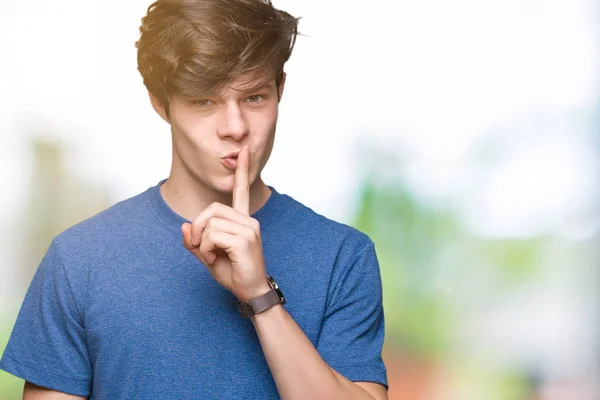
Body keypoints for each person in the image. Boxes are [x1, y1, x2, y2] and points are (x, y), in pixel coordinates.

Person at [0, 0, 389, 398]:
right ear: (160, 102)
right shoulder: (79, 260)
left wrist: (260, 296)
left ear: (280, 90)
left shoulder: (343, 257)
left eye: (255, 97)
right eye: (205, 101)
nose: (235, 128)